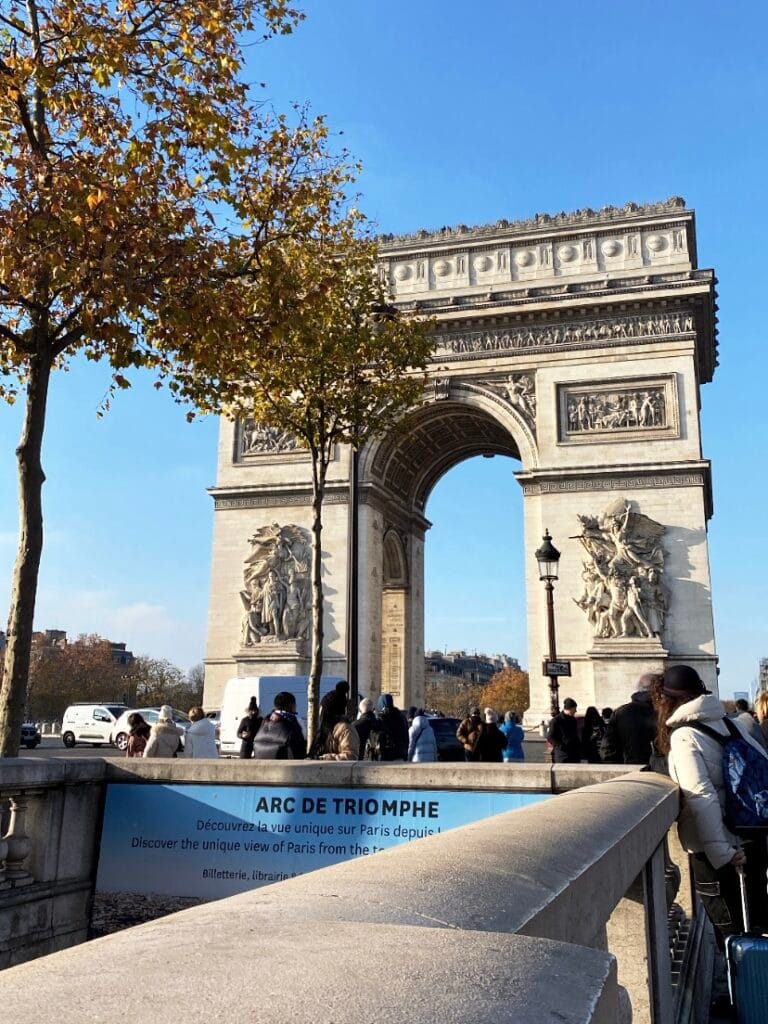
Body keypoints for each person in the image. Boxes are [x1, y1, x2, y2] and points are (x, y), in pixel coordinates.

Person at [651, 665, 768, 947]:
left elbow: (701, 796)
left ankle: (741, 977)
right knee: (757, 928)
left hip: (720, 852)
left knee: (732, 938)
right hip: (751, 837)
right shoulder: (732, 724)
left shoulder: (684, 736)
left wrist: (722, 853)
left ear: (667, 701)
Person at [600, 674, 660, 766]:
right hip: (659, 768)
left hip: (630, 767)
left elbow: (607, 749)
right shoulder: (663, 711)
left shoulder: (620, 712)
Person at [253, 691, 307, 760]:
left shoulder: (266, 720)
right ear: (291, 705)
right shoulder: (295, 720)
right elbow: (301, 747)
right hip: (286, 763)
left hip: (260, 761)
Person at [309, 681, 350, 758]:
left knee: (320, 736)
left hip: (324, 719)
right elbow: (340, 712)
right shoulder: (341, 697)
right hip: (330, 720)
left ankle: (314, 753)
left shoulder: (329, 694)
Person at [365, 694, 409, 761]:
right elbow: (406, 737)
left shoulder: (381, 719)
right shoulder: (401, 717)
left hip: (386, 755)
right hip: (400, 753)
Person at [546, 698, 581, 763]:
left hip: (574, 754)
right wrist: (561, 746)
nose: (575, 711)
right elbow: (550, 737)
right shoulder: (556, 721)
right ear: (570, 709)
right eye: (574, 709)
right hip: (562, 755)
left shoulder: (573, 720)